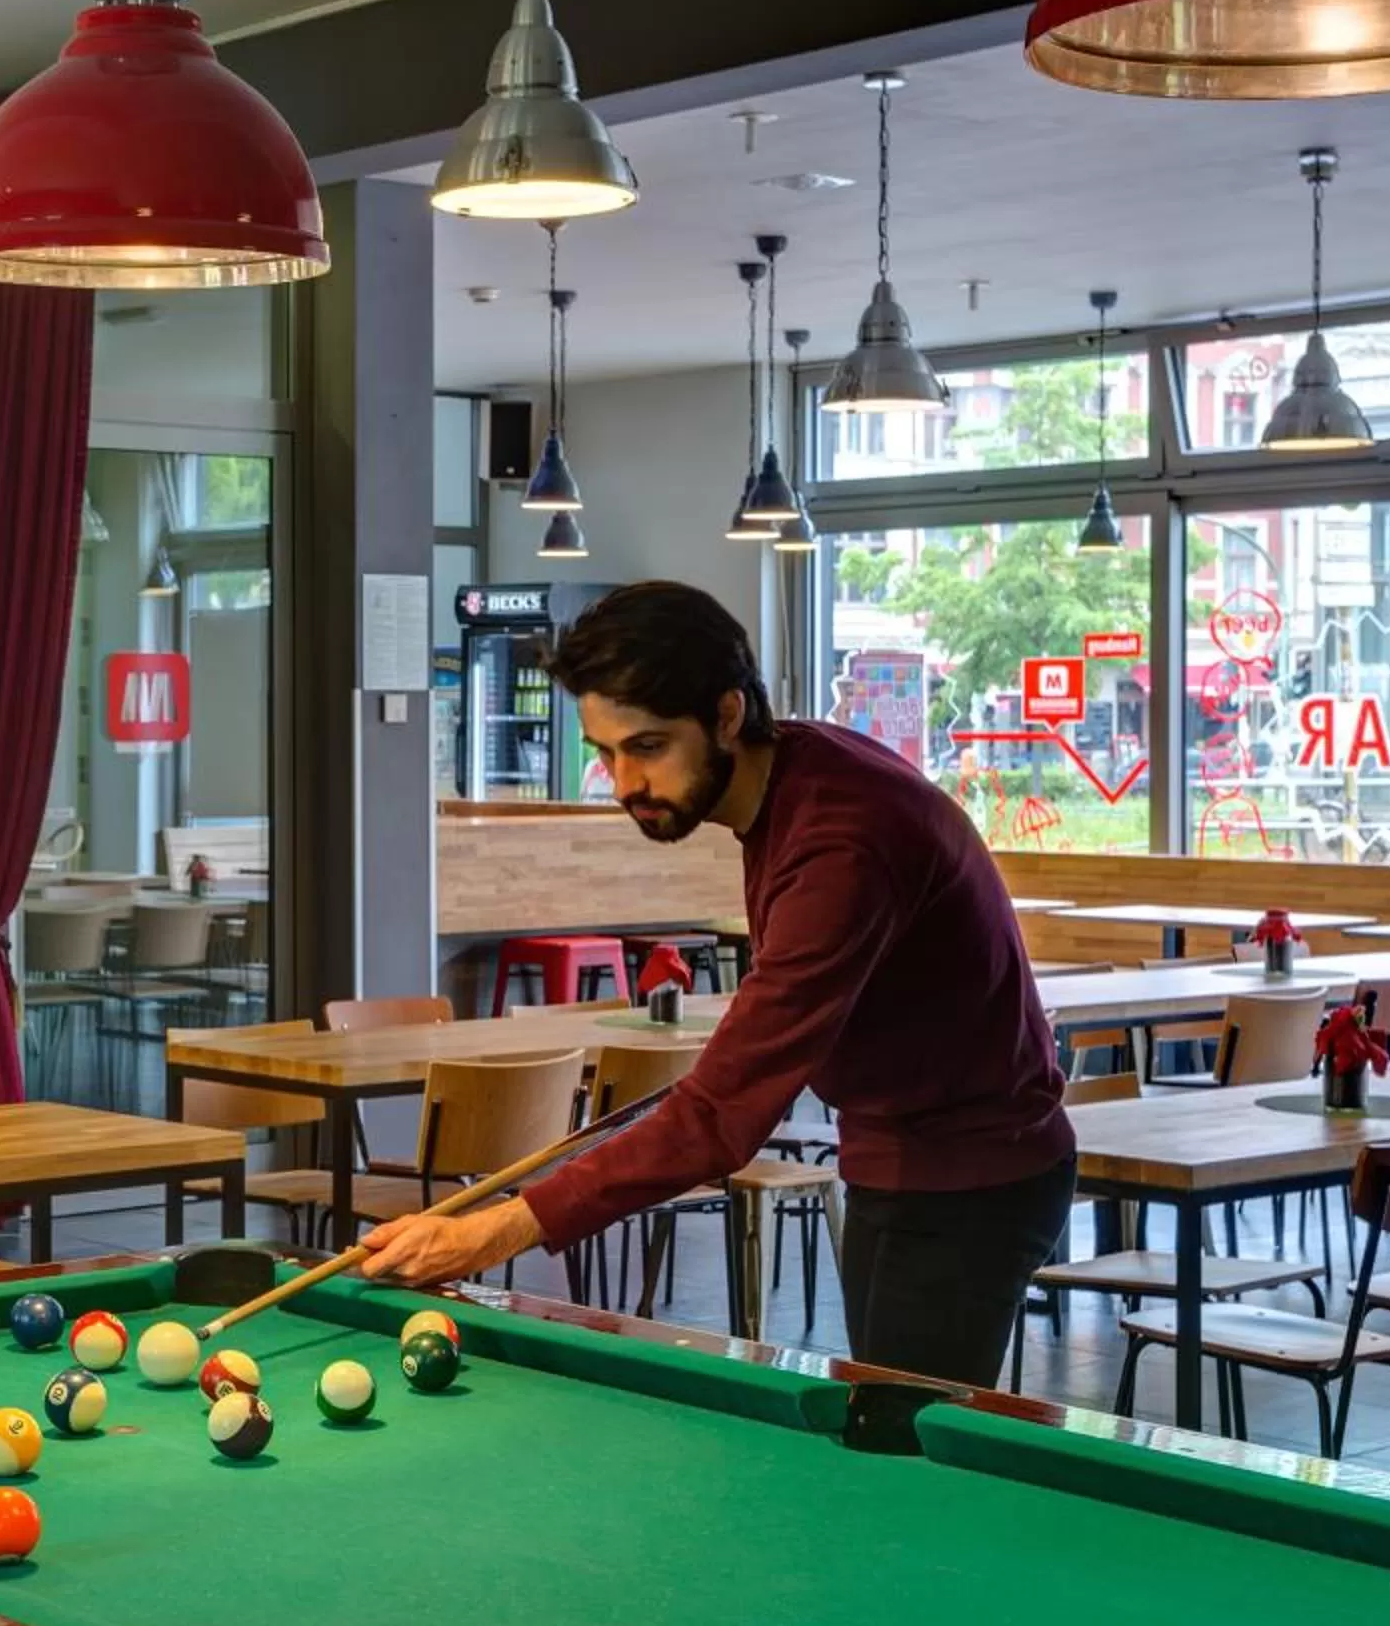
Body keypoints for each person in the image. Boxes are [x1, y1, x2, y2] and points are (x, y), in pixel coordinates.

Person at [359, 581, 1075, 1387]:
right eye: (606, 752)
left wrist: (483, 1235)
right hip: (895, 1155)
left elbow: (717, 1128)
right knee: (880, 1432)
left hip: (972, 1178)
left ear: (728, 716)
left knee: (905, 1454)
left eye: (649, 747)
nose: (623, 781)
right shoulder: (794, 775)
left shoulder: (842, 840)